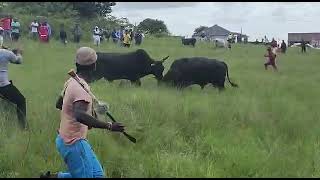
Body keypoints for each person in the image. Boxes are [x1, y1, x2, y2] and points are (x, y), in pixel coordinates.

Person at [40, 47, 125, 178]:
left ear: (77, 64)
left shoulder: (72, 81)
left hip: (69, 138)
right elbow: (79, 115)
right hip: (73, 143)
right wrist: (109, 126)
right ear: (94, 66)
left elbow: (59, 104)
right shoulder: (81, 89)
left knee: (97, 175)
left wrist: (92, 111)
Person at [0, 47, 26, 129]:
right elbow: (18, 60)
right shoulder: (5, 52)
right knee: (21, 101)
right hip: (3, 85)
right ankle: (22, 127)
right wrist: (18, 53)